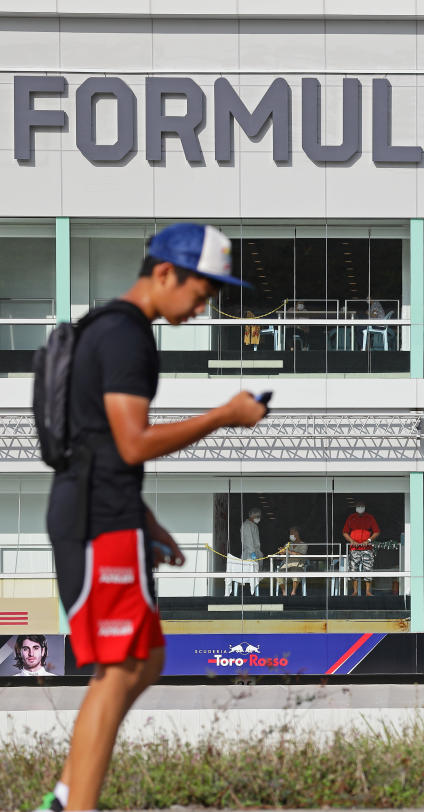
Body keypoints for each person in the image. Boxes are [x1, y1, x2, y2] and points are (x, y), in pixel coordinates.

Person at [35, 222, 266, 812]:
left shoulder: (110, 329)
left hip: (105, 511)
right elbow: (132, 443)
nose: (204, 304)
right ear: (165, 273)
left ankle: (66, 797)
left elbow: (100, 446)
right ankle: (72, 805)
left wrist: (148, 522)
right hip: (97, 520)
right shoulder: (127, 337)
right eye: (202, 291)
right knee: (119, 670)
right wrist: (224, 416)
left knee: (146, 658)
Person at [342, 502, 381, 597]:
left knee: (368, 568)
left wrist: (368, 540)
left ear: (364, 507)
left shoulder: (369, 518)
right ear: (355, 507)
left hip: (367, 548)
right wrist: (351, 541)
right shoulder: (351, 518)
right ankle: (355, 591)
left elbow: (377, 531)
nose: (360, 508)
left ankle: (368, 591)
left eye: (361, 506)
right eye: (358, 506)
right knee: (353, 568)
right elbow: (345, 532)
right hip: (354, 548)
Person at [274, 527, 308, 596]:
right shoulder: (288, 544)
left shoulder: (303, 544)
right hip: (287, 564)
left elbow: (301, 555)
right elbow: (282, 556)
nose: (291, 535)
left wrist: (288, 551)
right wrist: (281, 552)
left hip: (297, 564)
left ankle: (293, 592)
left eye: (292, 533)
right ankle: (284, 592)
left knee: (296, 571)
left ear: (297, 533)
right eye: (290, 533)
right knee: (279, 573)